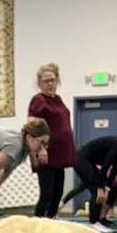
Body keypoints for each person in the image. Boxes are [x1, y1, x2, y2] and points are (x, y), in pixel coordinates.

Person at [27, 63, 75, 218]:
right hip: (46, 155)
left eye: (53, 80)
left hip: (60, 156)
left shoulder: (58, 99)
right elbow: (32, 127)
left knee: (57, 194)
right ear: (40, 83)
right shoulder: (38, 100)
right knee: (46, 195)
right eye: (46, 81)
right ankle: (36, 228)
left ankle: (51, 225)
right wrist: (41, 149)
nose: (50, 84)